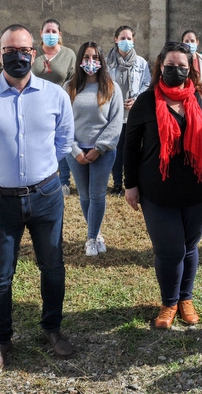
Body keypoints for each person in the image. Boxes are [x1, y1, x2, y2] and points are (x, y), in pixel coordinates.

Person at [0, 24, 76, 374]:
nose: (18, 56)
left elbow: (63, 141)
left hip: (46, 196)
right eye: (10, 51)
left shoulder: (55, 95)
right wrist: (1, 175)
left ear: (34, 53)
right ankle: (0, 341)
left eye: (24, 50)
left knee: (52, 266)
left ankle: (52, 329)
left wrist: (39, 173)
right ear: (0, 55)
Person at [124, 43, 202, 330]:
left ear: (191, 69)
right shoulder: (146, 101)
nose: (176, 71)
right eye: (170, 66)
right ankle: (169, 302)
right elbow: (130, 146)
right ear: (160, 67)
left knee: (189, 246)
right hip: (157, 190)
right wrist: (130, 184)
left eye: (182, 67)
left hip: (197, 188)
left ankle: (185, 299)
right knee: (169, 249)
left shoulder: (201, 98)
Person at [64, 42, 124, 256]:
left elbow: (116, 121)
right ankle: (95, 233)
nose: (91, 62)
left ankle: (91, 238)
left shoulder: (111, 87)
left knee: (97, 195)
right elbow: (63, 122)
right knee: (84, 195)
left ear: (102, 61)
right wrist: (74, 150)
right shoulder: (69, 87)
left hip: (103, 152)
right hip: (76, 152)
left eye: (96, 58)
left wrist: (99, 148)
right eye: (87, 57)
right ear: (80, 60)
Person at [31, 19, 76, 197]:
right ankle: (40, 178)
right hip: (35, 105)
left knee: (61, 142)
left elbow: (72, 80)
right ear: (41, 33)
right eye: (47, 31)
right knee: (40, 142)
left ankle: (63, 181)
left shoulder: (69, 54)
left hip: (59, 105)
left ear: (60, 35)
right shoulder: (34, 53)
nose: (51, 35)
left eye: (54, 31)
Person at [106, 25, 150, 195]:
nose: (126, 41)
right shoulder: (107, 62)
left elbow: (147, 84)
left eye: (129, 38)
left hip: (134, 115)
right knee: (116, 150)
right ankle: (117, 183)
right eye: (122, 38)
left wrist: (137, 99)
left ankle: (132, 182)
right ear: (116, 39)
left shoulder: (141, 62)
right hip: (115, 114)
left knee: (133, 150)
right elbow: (104, 85)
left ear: (134, 41)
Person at [180, 30, 202, 95]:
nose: (190, 44)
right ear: (182, 43)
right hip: (184, 97)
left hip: (201, 97)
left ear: (197, 42)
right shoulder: (178, 60)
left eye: (192, 41)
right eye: (186, 41)